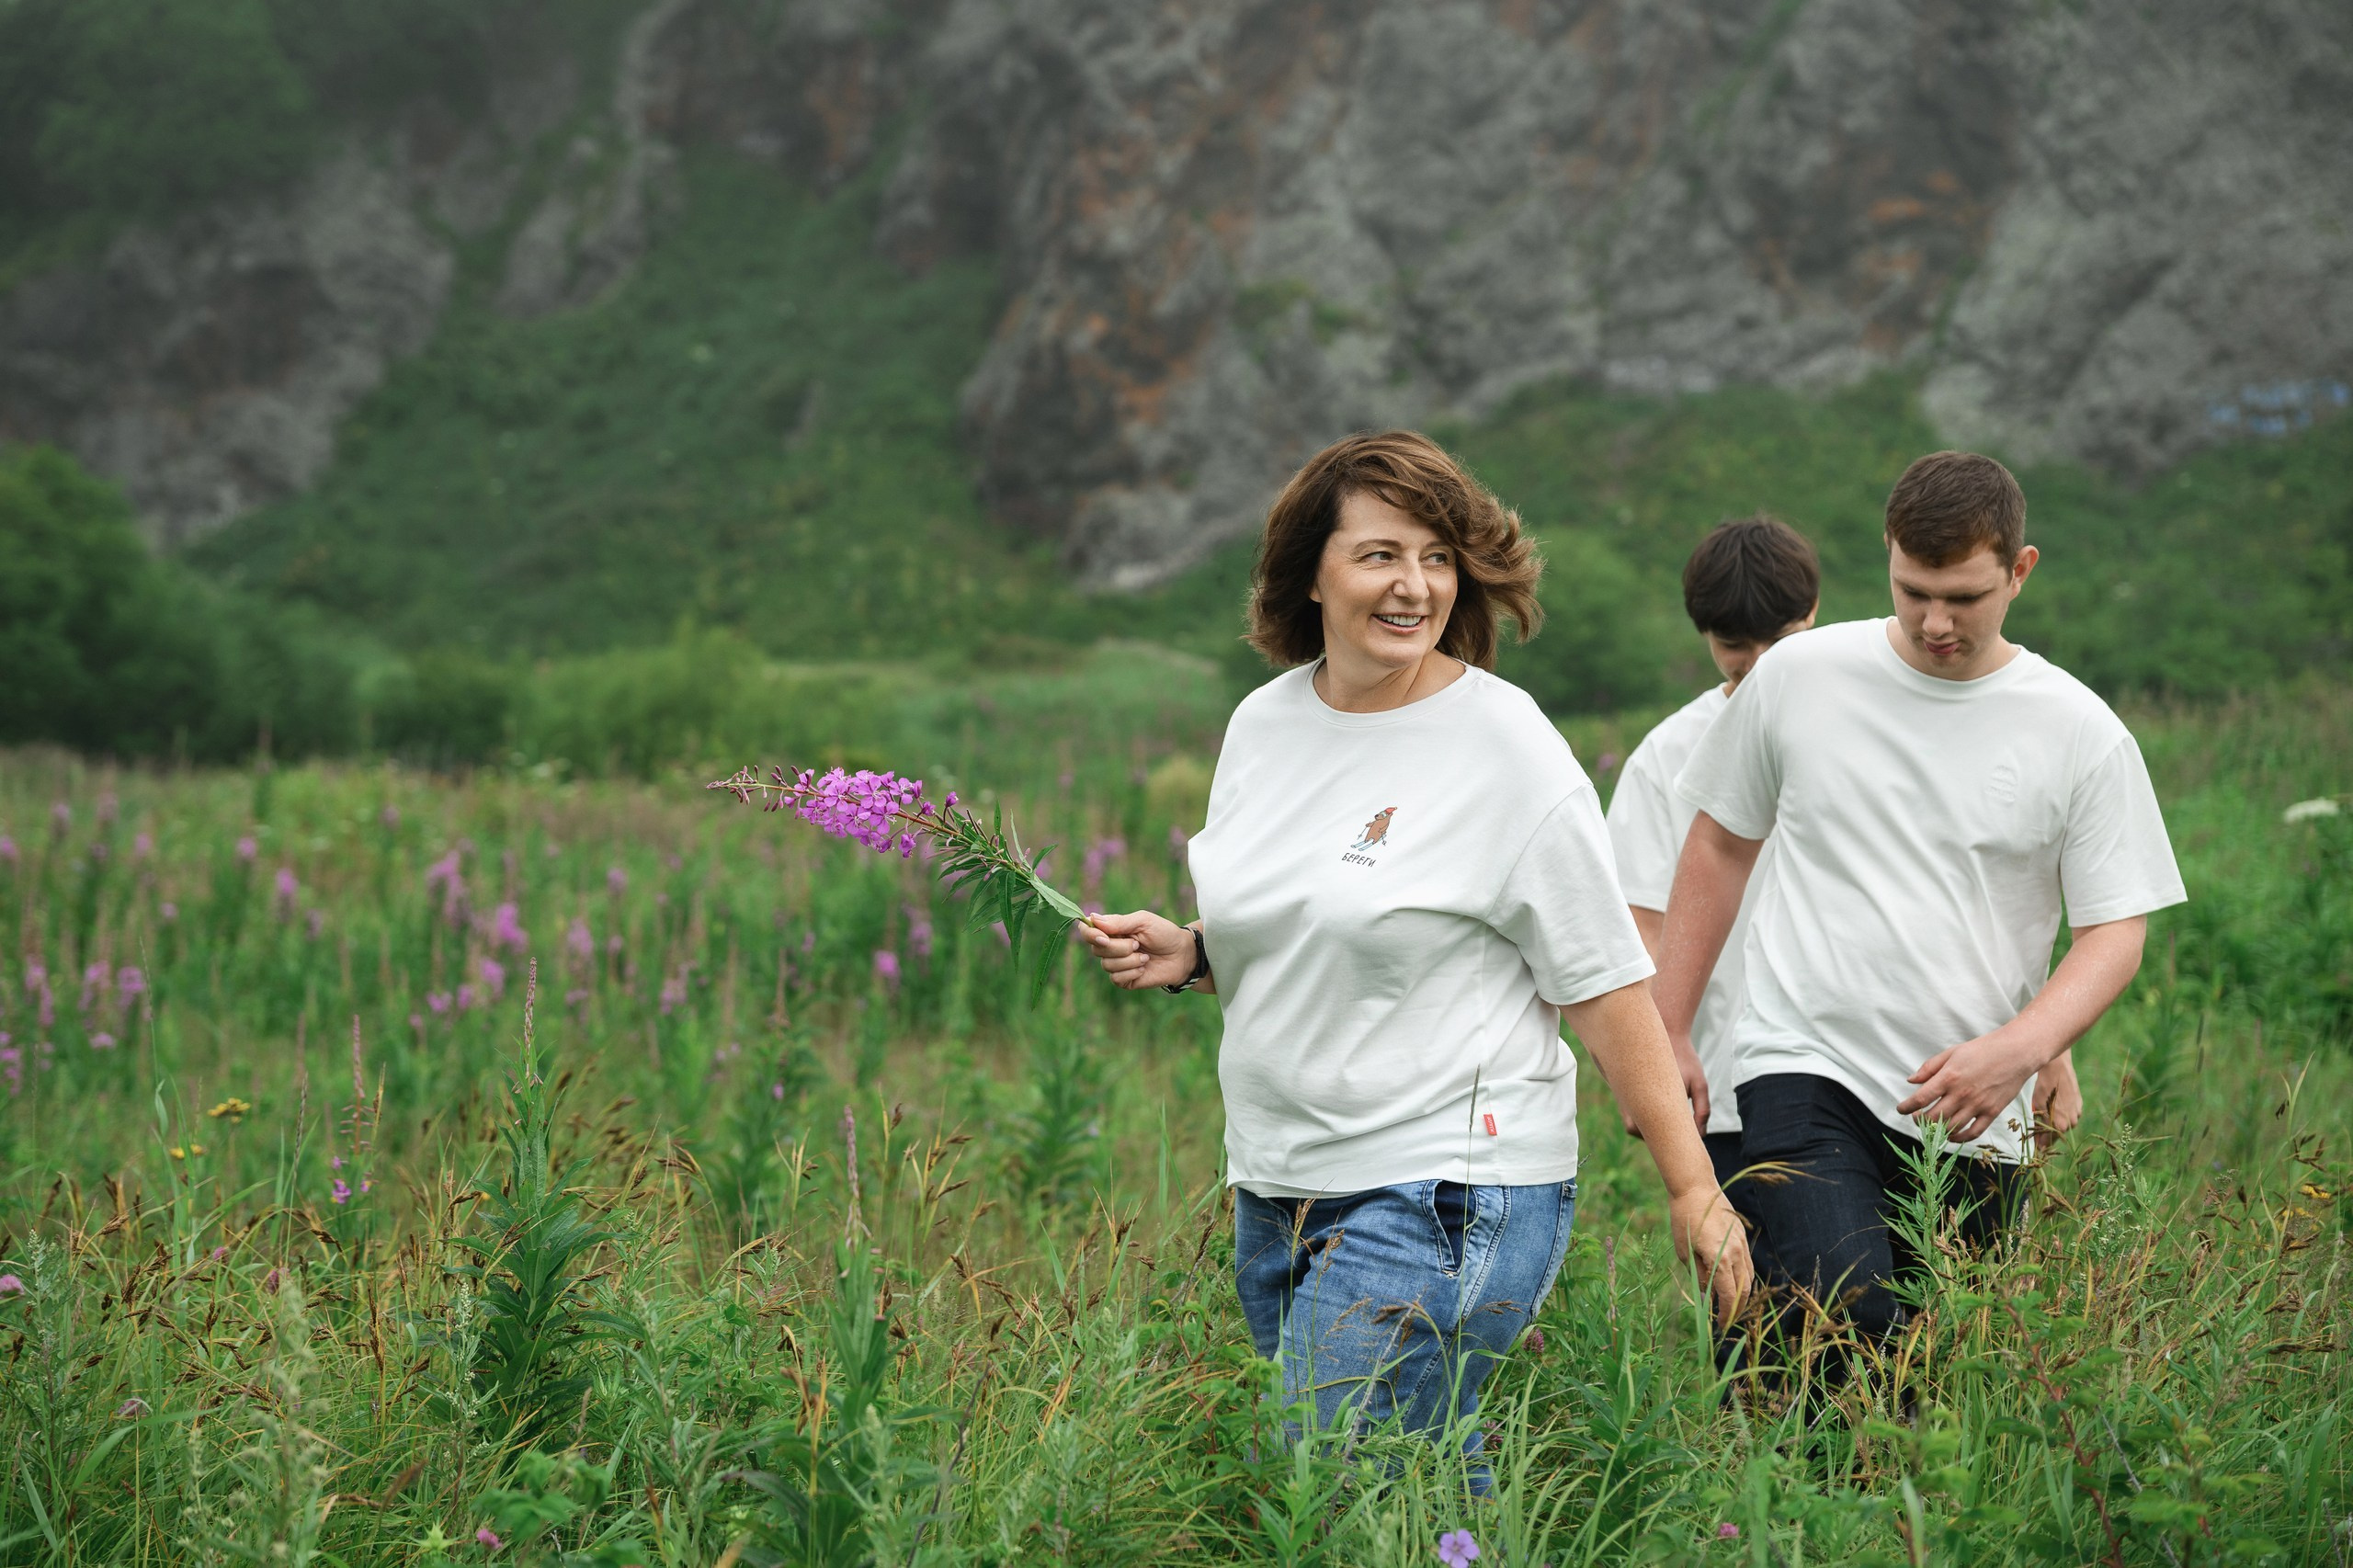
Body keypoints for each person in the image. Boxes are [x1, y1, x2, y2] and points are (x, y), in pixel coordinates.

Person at [1074, 431, 1752, 1482]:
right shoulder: (1262, 725)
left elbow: (1603, 979)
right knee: (1410, 1482)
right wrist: (1201, 949)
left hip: (1446, 1182)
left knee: (1331, 1471)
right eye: (1380, 554)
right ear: (1311, 571)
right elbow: (1330, 911)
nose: (1414, 584)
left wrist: (1690, 1186)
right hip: (1279, 1180)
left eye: (1436, 557)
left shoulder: (1504, 745)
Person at [1653, 450, 2181, 1363]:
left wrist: (2024, 1049)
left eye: (1964, 597)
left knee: (1944, 1354)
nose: (1935, 621)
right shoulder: (1799, 676)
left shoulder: (2081, 731)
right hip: (1802, 1059)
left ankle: (1845, 1505)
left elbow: (2114, 930)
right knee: (1844, 1309)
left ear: (2020, 570)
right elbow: (1720, 843)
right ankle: (1817, 1494)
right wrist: (1665, 1026)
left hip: (1973, 1095)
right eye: (1912, 589)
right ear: (1887, 554)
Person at [1604, 512, 1818, 1187]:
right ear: (1704, 634)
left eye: (1777, 643)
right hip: (1726, 1088)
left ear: (1812, 613)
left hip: (1870, 1075)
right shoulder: (1665, 757)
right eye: (1733, 644)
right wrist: (1659, 1049)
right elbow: (1638, 923)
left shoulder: (1867, 726)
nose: (1756, 668)